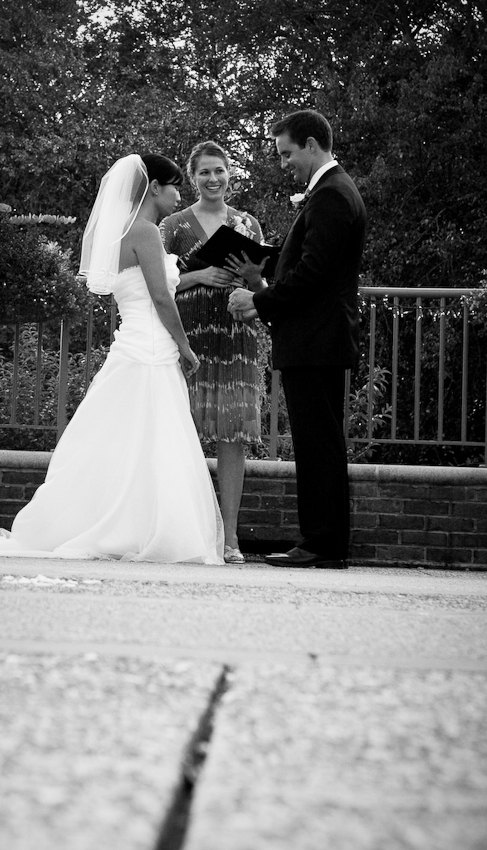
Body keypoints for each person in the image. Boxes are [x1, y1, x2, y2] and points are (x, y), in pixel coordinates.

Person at [0, 153, 224, 564]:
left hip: (133, 345)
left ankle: (125, 524)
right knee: (155, 443)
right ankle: (147, 529)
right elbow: (162, 299)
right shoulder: (146, 231)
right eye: (175, 187)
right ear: (155, 188)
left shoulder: (121, 233)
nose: (179, 195)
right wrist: (185, 346)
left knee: (128, 442)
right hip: (151, 351)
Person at [228, 109, 366, 569]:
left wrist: (258, 300)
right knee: (320, 442)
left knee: (317, 444)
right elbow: (309, 261)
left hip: (315, 340)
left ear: (310, 144)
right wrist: (264, 269)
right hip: (318, 338)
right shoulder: (334, 191)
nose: (284, 163)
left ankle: (321, 544)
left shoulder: (331, 195)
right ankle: (324, 543)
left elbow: (313, 272)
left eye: (287, 153)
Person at [160, 140, 264, 564]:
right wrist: (199, 274)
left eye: (219, 170)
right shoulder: (172, 226)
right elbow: (154, 284)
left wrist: (254, 278)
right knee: (179, 434)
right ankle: (182, 533)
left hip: (236, 341)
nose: (213, 178)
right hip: (188, 340)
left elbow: (261, 286)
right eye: (204, 171)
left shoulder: (247, 224)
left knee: (232, 437)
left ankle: (230, 538)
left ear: (229, 173)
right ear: (192, 177)